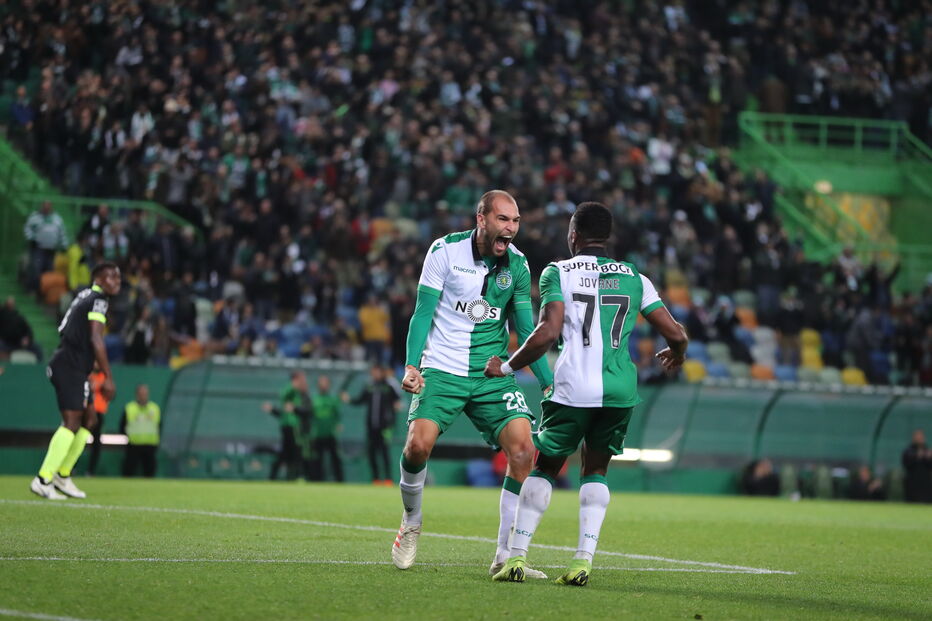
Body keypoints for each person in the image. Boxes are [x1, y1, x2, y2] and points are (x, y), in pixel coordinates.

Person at [485, 202, 688, 585]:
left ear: (574, 234)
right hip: (618, 390)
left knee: (545, 467)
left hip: (572, 389)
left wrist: (507, 366)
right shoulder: (636, 277)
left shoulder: (558, 272)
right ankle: (582, 562)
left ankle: (516, 557)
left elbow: (547, 332)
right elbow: (676, 333)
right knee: (595, 470)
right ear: (607, 236)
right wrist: (677, 351)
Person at [394, 190, 554, 578]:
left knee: (523, 451)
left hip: (491, 374)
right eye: (503, 219)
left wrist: (549, 385)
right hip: (442, 368)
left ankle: (505, 555)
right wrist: (412, 365)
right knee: (417, 447)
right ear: (481, 219)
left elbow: (527, 330)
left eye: (515, 221)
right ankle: (411, 521)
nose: (511, 229)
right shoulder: (444, 251)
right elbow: (422, 313)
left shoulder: (517, 264)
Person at [31, 262, 121, 499]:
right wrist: (108, 377)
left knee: (89, 420)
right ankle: (43, 478)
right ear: (98, 279)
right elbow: (96, 339)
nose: (117, 282)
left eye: (119, 278)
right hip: (68, 366)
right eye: (111, 277)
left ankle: (62, 475)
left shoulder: (86, 295)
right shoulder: (99, 299)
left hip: (76, 367)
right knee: (71, 422)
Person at [343, 365, 401, 484]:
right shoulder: (369, 386)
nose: (375, 374)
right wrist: (349, 400)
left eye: (377, 371)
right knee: (372, 453)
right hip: (371, 427)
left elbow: (397, 400)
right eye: (373, 372)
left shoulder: (388, 386)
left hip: (384, 427)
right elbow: (360, 400)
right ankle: (376, 479)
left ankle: (388, 479)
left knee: (384, 453)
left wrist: (392, 417)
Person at [262, 371, 311, 481]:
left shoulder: (300, 395)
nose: (304, 381)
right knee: (293, 451)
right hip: (290, 427)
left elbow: (306, 411)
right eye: (302, 379)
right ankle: (297, 475)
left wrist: (294, 408)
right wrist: (273, 410)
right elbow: (284, 406)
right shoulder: (290, 391)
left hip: (294, 426)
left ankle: (291, 476)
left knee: (290, 453)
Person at [23, 201, 68, 291]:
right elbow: (27, 228)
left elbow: (62, 232)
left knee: (49, 270)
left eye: (48, 206)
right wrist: (32, 238)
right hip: (39, 248)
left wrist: (64, 245)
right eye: (45, 206)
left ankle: (44, 292)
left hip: (51, 249)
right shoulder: (35, 217)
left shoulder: (57, 219)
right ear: (42, 206)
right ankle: (33, 289)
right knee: (36, 269)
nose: (47, 208)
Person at [120, 384, 162, 477]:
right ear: (137, 395)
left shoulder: (155, 408)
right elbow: (122, 427)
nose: (143, 396)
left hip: (150, 445)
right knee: (128, 471)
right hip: (133, 445)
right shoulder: (129, 408)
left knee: (150, 473)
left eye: (145, 394)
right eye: (141, 394)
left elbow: (159, 426)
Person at [310, 375, 344, 482]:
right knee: (317, 460)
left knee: (335, 459)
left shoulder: (333, 399)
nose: (324, 385)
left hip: (330, 434)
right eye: (322, 383)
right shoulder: (314, 399)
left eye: (326, 383)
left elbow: (337, 414)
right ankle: (317, 481)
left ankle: (339, 481)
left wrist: (338, 424)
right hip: (317, 434)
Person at [86, 362, 111, 475]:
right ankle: (70, 468)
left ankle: (91, 471)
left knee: (96, 443)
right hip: (85, 411)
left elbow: (110, 394)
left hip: (98, 413)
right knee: (78, 439)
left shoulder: (104, 376)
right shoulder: (87, 374)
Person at [902, 429, 932, 503]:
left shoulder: (927, 450)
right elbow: (906, 464)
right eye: (917, 437)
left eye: (921, 437)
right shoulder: (909, 450)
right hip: (912, 482)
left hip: (925, 482)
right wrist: (917, 456)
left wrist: (929, 457)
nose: (919, 439)